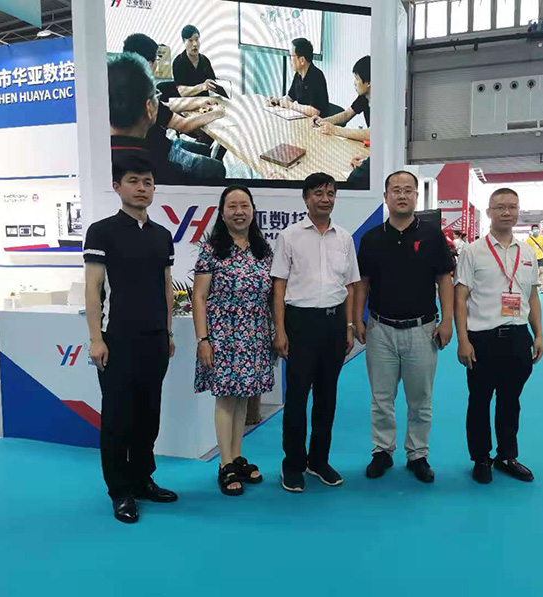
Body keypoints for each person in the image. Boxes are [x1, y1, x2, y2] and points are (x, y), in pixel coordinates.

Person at [84, 154, 178, 524]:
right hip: (117, 340)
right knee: (118, 419)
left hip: (155, 341)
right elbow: (93, 288)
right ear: (117, 186)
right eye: (134, 181)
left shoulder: (162, 236)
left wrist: (168, 333)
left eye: (148, 182)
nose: (142, 188)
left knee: (149, 416)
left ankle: (142, 479)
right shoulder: (102, 231)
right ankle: (120, 490)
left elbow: (167, 289)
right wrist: (96, 338)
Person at [353, 171, 455, 484]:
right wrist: (357, 318)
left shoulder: (432, 236)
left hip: (422, 329)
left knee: (420, 399)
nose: (402, 195)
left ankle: (417, 454)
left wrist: (447, 320)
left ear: (416, 197)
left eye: (408, 190)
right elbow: (362, 283)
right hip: (380, 329)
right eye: (395, 190)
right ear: (386, 197)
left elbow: (444, 279)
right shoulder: (371, 238)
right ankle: (382, 451)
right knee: (381, 399)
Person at [271, 173, 360, 493]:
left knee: (327, 397)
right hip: (300, 324)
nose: (326, 199)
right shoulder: (289, 236)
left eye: (331, 193)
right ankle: (293, 464)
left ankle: (318, 461)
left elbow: (350, 286)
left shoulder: (344, 238)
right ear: (306, 198)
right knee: (297, 398)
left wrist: (348, 326)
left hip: (334, 324)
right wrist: (280, 330)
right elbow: (279, 286)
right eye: (319, 193)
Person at [454, 188, 543, 485]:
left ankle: (507, 456)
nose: (507, 212)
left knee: (511, 400)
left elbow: (532, 296)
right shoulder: (472, 251)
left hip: (518, 337)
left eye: (512, 207)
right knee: (479, 401)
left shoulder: (527, 252)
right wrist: (463, 340)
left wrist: (538, 334)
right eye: (500, 207)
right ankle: (481, 458)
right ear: (489, 212)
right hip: (482, 338)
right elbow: (460, 297)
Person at [192, 185, 274, 496]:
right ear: (222, 212)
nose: (239, 212)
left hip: (254, 334)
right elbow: (199, 297)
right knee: (226, 398)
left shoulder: (263, 250)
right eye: (232, 206)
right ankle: (224, 463)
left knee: (243, 397)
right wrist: (203, 339)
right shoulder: (211, 249)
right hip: (223, 335)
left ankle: (237, 455)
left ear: (253, 210)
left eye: (244, 206)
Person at [121, 35, 226, 182]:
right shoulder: (142, 95)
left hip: (161, 144)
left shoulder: (129, 87)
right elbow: (184, 125)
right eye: (156, 60)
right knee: (217, 168)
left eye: (197, 40)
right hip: (161, 155)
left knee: (204, 149)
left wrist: (198, 104)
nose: (194, 44)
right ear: (148, 63)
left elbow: (166, 107)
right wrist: (217, 113)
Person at [312, 55, 371, 188]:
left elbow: (371, 133)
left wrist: (335, 130)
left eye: (357, 78)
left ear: (368, 82)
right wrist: (323, 121)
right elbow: (346, 115)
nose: (354, 83)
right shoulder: (364, 98)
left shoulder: (381, 102)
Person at [267, 38, 330, 118]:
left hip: (318, 122)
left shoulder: (316, 76)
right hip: (303, 120)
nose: (289, 60)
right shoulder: (298, 75)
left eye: (291, 56)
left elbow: (315, 111)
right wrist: (277, 101)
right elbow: (289, 98)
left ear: (302, 60)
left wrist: (291, 106)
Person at [172, 25, 219, 98]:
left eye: (197, 40)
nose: (195, 44)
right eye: (190, 40)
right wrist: (202, 87)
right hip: (187, 102)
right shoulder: (178, 62)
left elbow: (213, 82)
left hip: (205, 101)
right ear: (184, 41)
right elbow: (182, 92)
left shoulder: (204, 60)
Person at [527, 225, 543, 293]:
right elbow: (527, 249)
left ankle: (541, 286)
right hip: (533, 257)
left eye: (536, 229)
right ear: (532, 230)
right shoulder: (529, 239)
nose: (535, 230)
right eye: (534, 229)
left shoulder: (542, 238)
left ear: (538, 230)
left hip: (541, 256)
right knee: (533, 272)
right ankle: (534, 284)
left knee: (541, 270)